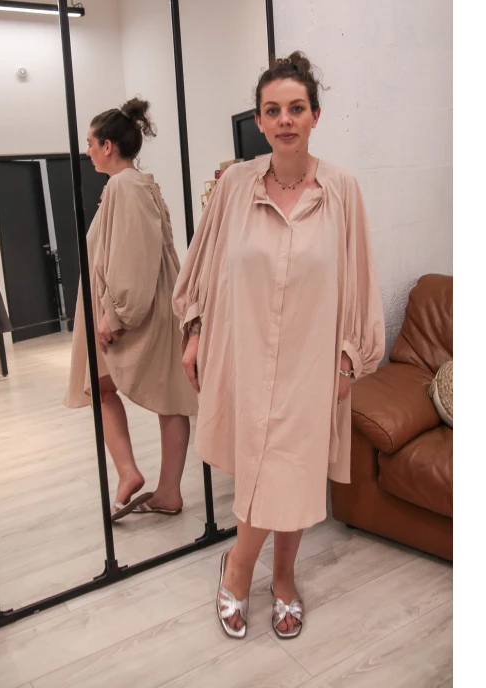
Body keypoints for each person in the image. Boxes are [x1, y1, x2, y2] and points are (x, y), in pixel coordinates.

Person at [173, 52, 385, 639]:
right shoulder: (235, 186)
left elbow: (359, 278)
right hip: (245, 353)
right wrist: (194, 331)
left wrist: (349, 357)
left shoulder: (342, 190)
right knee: (265, 468)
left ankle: (266, 574)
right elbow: (204, 264)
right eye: (273, 110)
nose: (285, 119)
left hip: (312, 361)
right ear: (260, 121)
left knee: (295, 471)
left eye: (296, 108)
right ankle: (251, 570)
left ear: (315, 115)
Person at [66, 98, 198, 521]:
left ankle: (135, 476)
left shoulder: (124, 186)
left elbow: (132, 254)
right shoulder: (135, 185)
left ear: (108, 146)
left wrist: (118, 313)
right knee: (165, 395)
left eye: (90, 143)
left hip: (138, 306)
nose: (87, 151)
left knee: (113, 387)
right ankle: (163, 489)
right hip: (148, 302)